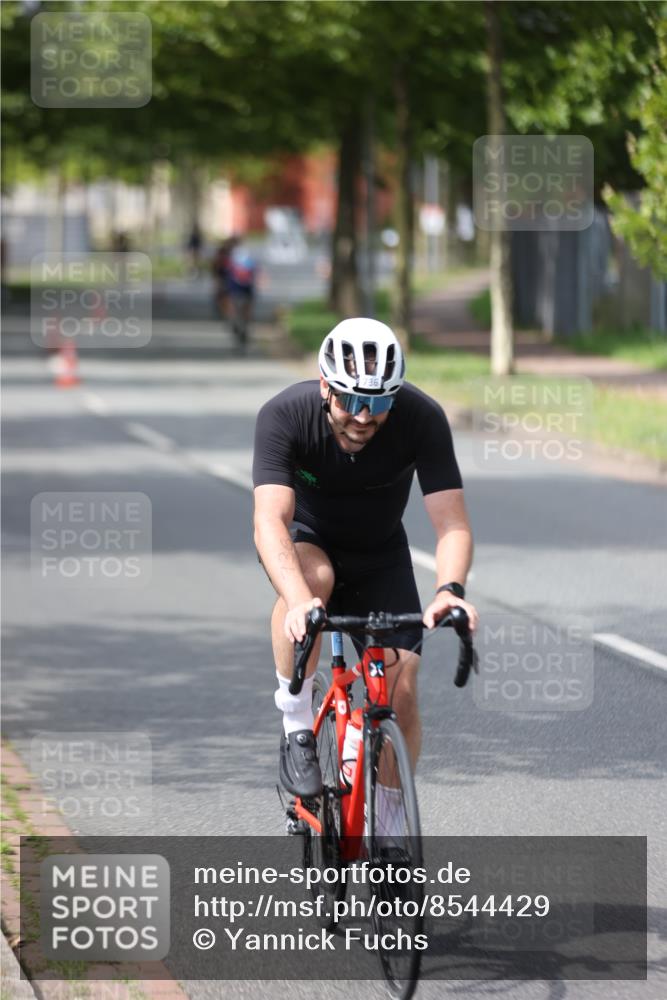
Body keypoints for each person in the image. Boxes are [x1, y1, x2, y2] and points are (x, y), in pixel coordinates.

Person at [252, 318, 478, 799]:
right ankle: (296, 724)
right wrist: (297, 600)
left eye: (377, 404)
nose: (362, 417)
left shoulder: (421, 418)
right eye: (350, 400)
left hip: (381, 554)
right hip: (309, 544)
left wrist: (450, 591)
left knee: (403, 695)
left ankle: (392, 826)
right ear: (324, 386)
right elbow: (270, 518)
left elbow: (452, 523)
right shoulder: (285, 416)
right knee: (316, 577)